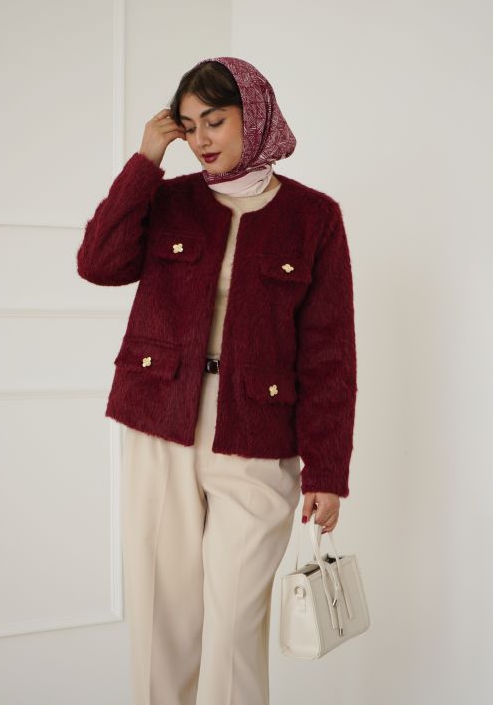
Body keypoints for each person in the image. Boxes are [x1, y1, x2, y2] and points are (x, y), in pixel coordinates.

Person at [76, 56, 357, 705]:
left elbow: (330, 355)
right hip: (161, 424)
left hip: (255, 435)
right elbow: (98, 262)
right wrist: (146, 161)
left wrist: (327, 471)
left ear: (252, 115)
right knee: (164, 619)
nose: (201, 139)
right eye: (189, 125)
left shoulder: (313, 216)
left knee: (233, 625)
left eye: (216, 120)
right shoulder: (169, 200)